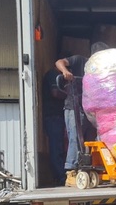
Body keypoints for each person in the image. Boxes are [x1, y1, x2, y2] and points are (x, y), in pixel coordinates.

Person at [55, 42, 109, 186]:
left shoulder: (102, 71)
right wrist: (65, 72)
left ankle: (92, 167)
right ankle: (71, 172)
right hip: (74, 105)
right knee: (75, 139)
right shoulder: (79, 60)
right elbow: (59, 62)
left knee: (93, 139)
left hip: (91, 109)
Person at [41, 67, 66, 185]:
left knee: (59, 147)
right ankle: (60, 177)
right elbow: (55, 93)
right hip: (53, 117)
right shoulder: (52, 74)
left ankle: (60, 175)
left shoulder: (54, 74)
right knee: (56, 148)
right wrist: (69, 94)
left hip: (56, 117)